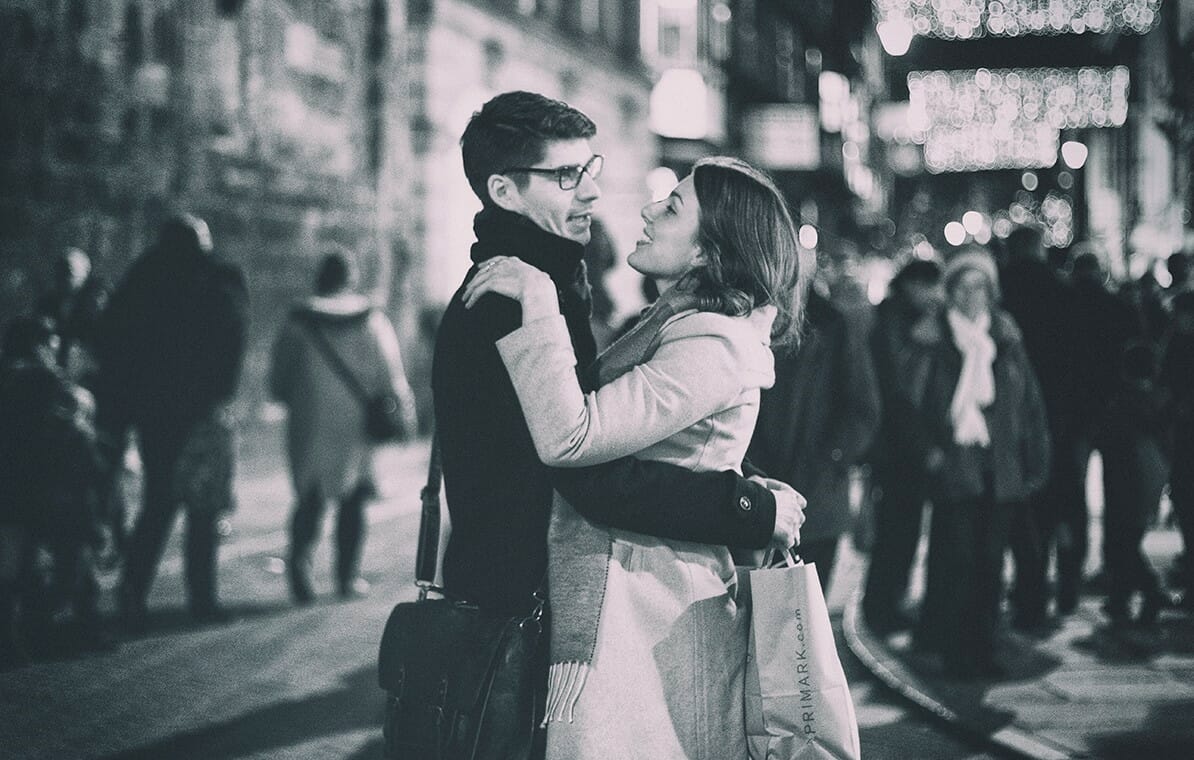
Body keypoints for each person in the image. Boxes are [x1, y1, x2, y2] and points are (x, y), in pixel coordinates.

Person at [431, 92, 803, 757]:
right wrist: (746, 505)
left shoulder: (550, 283)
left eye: (590, 166)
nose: (595, 191)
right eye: (567, 174)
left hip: (569, 602)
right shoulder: (517, 293)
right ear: (504, 190)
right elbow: (587, 471)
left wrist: (741, 487)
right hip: (520, 598)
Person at [98, 214, 248, 631]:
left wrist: (125, 410)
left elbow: (113, 343)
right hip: (200, 414)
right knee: (202, 509)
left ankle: (132, 595)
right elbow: (232, 341)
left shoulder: (143, 278)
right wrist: (220, 399)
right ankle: (201, 601)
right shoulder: (218, 279)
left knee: (158, 504)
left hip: (155, 414)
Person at [911, 246, 1050, 679]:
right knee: (959, 566)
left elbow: (1029, 405)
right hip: (956, 472)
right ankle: (958, 653)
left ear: (992, 292)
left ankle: (985, 647)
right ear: (950, 292)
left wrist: (1036, 460)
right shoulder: (932, 341)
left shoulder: (1006, 340)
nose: (973, 295)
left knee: (991, 568)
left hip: (1001, 472)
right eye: (964, 286)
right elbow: (907, 408)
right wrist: (928, 453)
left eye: (981, 286)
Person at [269, 248, 417, 604]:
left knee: (310, 497)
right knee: (353, 500)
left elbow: (279, 379)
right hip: (355, 425)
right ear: (350, 279)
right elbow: (391, 374)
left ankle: (300, 571)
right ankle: (346, 576)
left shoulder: (298, 322)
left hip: (309, 421)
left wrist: (291, 397)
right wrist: (405, 417)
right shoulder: (371, 321)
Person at [748, 254, 881, 595]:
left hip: (815, 500)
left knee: (804, 625)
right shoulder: (745, 321)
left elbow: (863, 409)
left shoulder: (833, 327)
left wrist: (831, 458)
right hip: (753, 496)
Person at [0, 316, 109, 666]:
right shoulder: (44, 380)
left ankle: (17, 637)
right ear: (38, 343)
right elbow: (70, 428)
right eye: (49, 340)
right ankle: (37, 634)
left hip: (13, 486)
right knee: (55, 562)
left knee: (14, 566)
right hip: (42, 486)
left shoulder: (9, 376)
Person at [861, 259, 945, 635]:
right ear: (911, 284)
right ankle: (881, 607)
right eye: (928, 286)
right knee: (897, 530)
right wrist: (921, 445)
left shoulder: (899, 317)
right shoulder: (896, 321)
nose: (933, 295)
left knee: (901, 530)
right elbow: (898, 392)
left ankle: (886, 603)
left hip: (901, 444)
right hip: (898, 448)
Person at [1000, 225, 1078, 626]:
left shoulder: (1001, 289)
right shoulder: (1061, 290)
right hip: (1056, 414)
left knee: (1011, 509)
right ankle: (1055, 586)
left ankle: (1022, 591)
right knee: (1054, 504)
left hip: (1007, 414)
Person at [1162, 292, 1194, 600]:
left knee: (1186, 500)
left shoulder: (1178, 344)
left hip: (1183, 436)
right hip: (1182, 436)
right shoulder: (1177, 342)